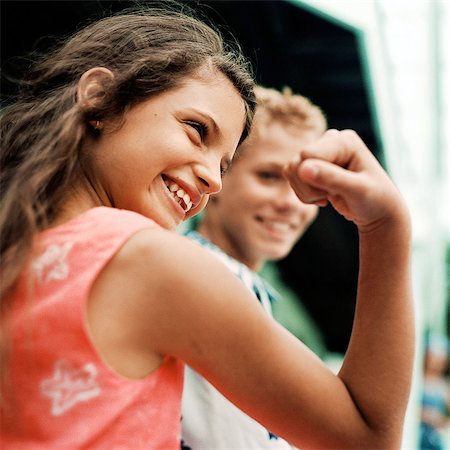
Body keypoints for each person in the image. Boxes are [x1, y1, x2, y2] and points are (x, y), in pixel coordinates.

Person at [0, 4, 415, 449]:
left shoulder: (19, 246)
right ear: (100, 97)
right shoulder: (152, 264)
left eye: (224, 164)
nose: (213, 180)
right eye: (197, 129)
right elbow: (368, 439)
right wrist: (387, 228)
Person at [181, 85, 328, 449]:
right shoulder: (207, 276)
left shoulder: (235, 280)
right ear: (218, 175)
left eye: (308, 185)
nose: (291, 203)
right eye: (268, 176)